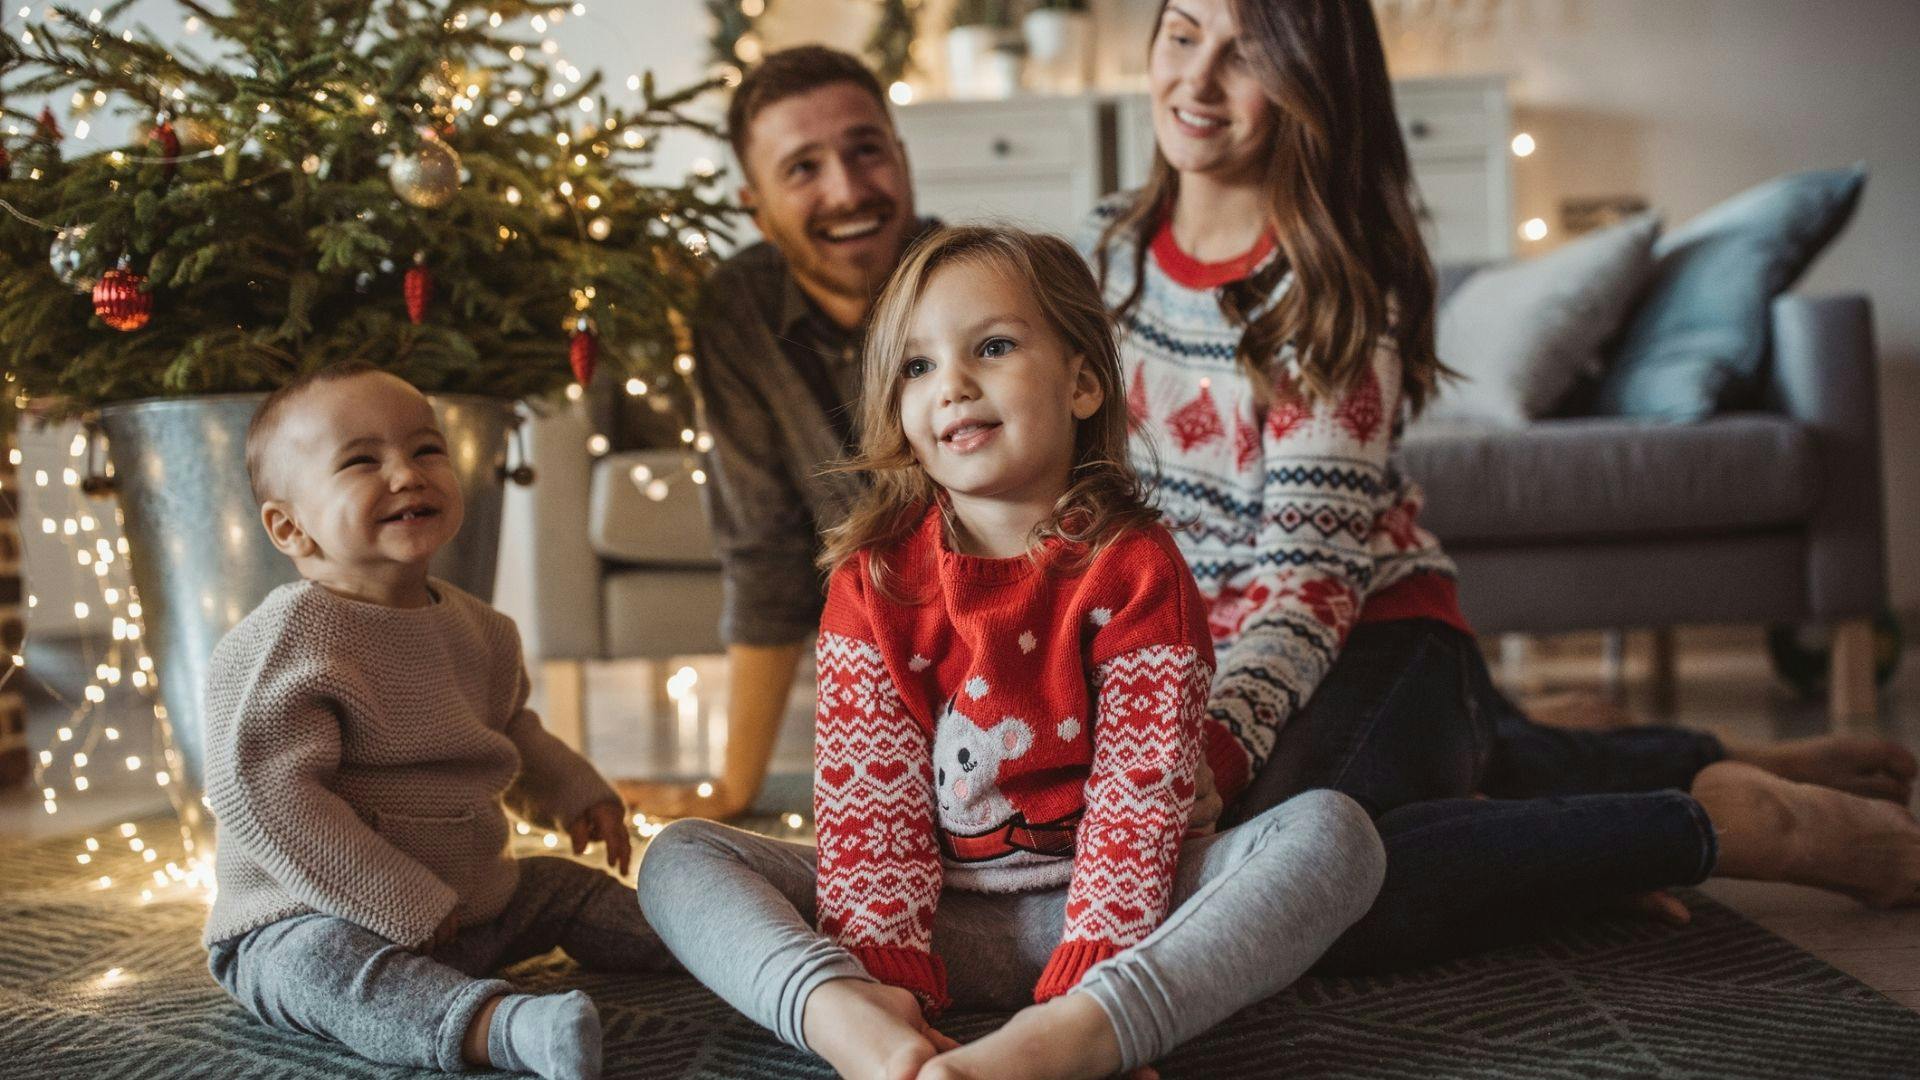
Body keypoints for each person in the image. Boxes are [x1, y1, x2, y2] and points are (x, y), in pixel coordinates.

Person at [1082, 0, 1920, 973]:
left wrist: (1216, 750)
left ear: (1316, 84)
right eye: (1182, 34)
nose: (1196, 78)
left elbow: (1308, 585)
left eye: (1248, 54)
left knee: (1276, 895)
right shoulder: (1104, 257)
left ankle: (1734, 823)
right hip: (1216, 665)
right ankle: (1563, 753)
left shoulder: (1335, 289)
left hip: (1368, 640)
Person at [636, 227, 1385, 1080]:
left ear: (1083, 383)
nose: (951, 384)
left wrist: (1093, 973)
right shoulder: (872, 581)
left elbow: (1136, 803)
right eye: (916, 367)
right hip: (945, 914)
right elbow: (869, 805)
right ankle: (856, 1029)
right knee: (680, 858)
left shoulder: (1138, 569)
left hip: (1123, 910)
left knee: (1337, 835)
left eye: (992, 347)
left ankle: (1080, 1037)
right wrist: (881, 972)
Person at [202, 364, 673, 1080]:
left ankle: (717, 944)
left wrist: (580, 793)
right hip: (310, 917)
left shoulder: (480, 629)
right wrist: (397, 899)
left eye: (426, 450)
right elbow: (266, 798)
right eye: (362, 460)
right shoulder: (288, 643)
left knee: (569, 888)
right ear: (289, 527)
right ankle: (501, 1028)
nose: (406, 474)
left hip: (469, 903)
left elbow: (513, 733)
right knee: (322, 970)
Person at [620, 46, 937, 819]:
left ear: (900, 156)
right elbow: (762, 551)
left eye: (867, 150)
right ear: (755, 207)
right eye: (802, 168)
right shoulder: (739, 310)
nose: (848, 189)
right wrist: (736, 789)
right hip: (877, 673)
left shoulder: (974, 282)